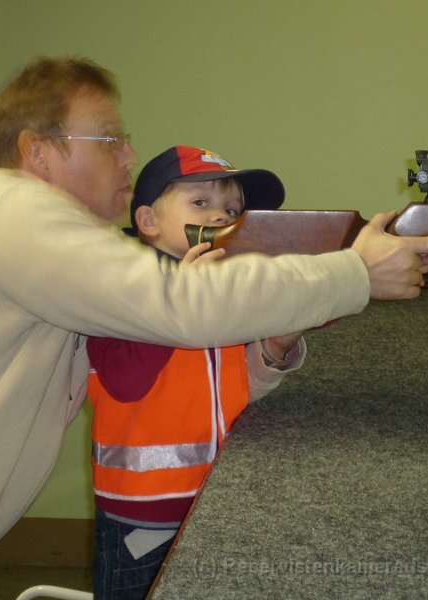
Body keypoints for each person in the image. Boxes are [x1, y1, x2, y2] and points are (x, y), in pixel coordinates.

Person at [0, 57, 428, 600]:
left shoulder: (41, 237)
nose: (127, 155)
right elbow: (185, 307)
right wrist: (357, 271)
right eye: (109, 139)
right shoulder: (10, 209)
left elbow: (196, 343)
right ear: (38, 152)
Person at [88, 145, 307, 598]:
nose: (221, 218)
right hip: (144, 513)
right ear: (148, 222)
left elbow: (242, 386)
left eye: (233, 210)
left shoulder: (225, 289)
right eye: (201, 203)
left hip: (224, 498)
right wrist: (181, 303)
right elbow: (124, 382)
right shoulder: (119, 289)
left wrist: (275, 348)